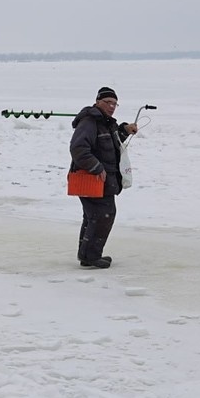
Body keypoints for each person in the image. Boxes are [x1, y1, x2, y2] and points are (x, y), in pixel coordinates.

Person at [69, 86, 138, 269]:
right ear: (98, 102)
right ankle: (91, 256)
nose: (112, 106)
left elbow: (109, 144)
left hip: (104, 182)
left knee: (94, 217)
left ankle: (87, 255)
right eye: (108, 102)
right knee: (102, 217)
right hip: (92, 179)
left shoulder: (106, 123)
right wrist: (96, 167)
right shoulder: (89, 122)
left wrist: (124, 130)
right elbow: (78, 149)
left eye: (115, 103)